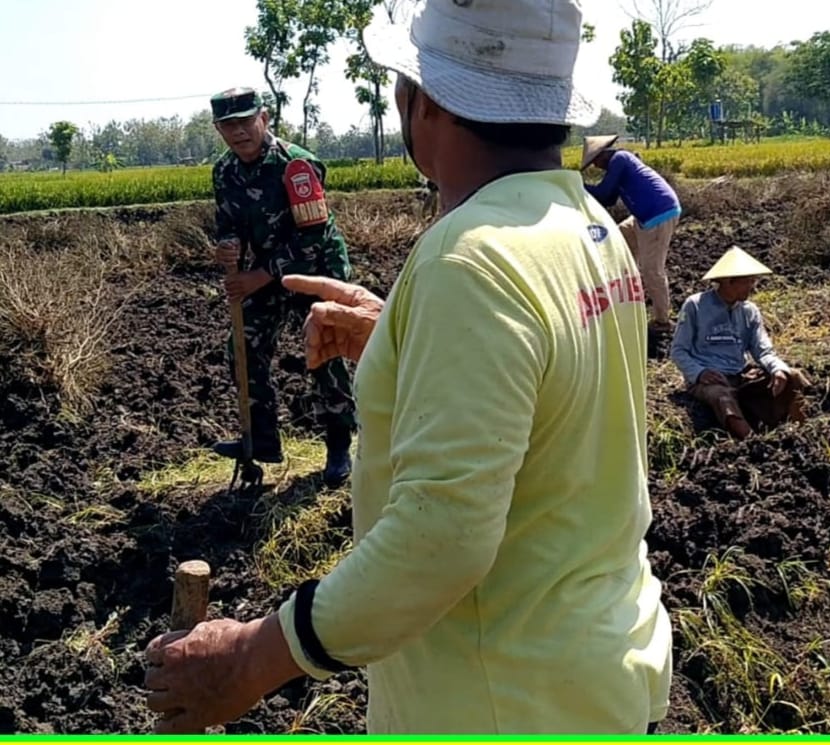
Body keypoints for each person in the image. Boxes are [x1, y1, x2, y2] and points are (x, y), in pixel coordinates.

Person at [144, 0, 672, 735]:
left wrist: (249, 656)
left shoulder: (471, 259)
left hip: (499, 701)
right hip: (599, 665)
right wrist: (401, 333)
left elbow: (441, 537)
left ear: (419, 101)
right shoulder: (584, 229)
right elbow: (542, 392)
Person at [207, 87, 356, 487]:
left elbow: (312, 238)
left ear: (265, 119)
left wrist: (256, 276)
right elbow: (227, 224)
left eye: (244, 122)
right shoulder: (225, 172)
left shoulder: (298, 166)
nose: (238, 133)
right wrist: (227, 247)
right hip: (267, 270)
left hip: (315, 268)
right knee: (243, 346)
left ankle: (340, 443)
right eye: (227, 126)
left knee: (323, 350)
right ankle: (262, 440)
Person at [669, 246, 810, 440]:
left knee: (792, 377)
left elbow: (762, 350)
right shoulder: (695, 305)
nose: (753, 287)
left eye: (753, 281)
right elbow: (678, 351)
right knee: (723, 398)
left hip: (740, 373)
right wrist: (700, 372)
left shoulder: (749, 310)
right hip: (710, 379)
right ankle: (753, 443)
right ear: (728, 282)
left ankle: (802, 432)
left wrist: (778, 368)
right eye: (747, 282)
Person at [581, 135, 681, 333]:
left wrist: (579, 186)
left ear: (602, 155)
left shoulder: (620, 159)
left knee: (652, 269)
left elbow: (603, 193)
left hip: (658, 214)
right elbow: (609, 199)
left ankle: (662, 320)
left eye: (595, 162)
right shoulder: (618, 165)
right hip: (642, 217)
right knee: (617, 240)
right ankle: (629, 294)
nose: (596, 167)